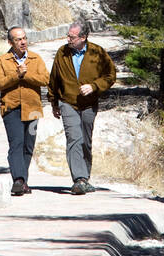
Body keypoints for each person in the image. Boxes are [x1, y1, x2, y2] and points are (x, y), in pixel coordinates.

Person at [48, 20, 117, 194]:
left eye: (72, 37)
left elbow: (111, 75)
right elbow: (54, 78)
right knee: (74, 138)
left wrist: (94, 86)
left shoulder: (97, 52)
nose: (68, 39)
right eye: (68, 36)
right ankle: (78, 179)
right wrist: (53, 102)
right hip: (67, 102)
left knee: (86, 141)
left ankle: (85, 178)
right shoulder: (62, 53)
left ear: (83, 37)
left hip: (89, 104)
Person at [0, 27, 50, 196]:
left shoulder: (35, 58)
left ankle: (22, 181)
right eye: (18, 39)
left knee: (28, 145)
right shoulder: (3, 60)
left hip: (33, 110)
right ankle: (18, 179)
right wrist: (16, 75)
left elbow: (45, 79)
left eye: (24, 38)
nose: (23, 42)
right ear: (10, 42)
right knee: (16, 143)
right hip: (11, 109)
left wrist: (26, 75)